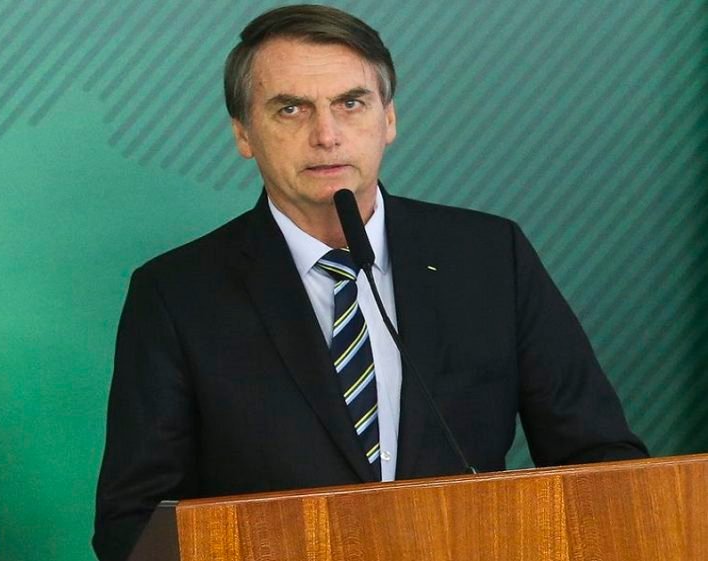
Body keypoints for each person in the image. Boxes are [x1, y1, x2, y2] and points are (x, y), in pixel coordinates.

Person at [93, 5, 647, 561]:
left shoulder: (489, 256)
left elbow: (601, 460)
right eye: (291, 109)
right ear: (243, 132)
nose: (326, 135)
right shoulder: (176, 294)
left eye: (350, 104)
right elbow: (133, 522)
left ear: (389, 119)